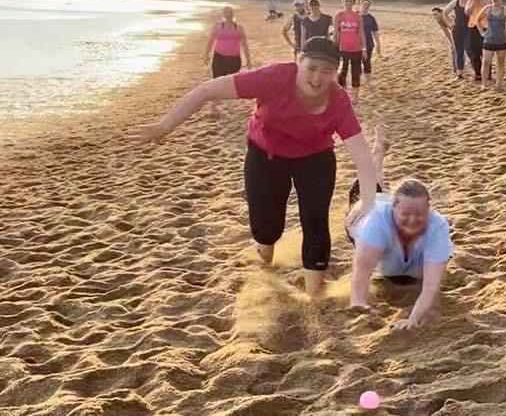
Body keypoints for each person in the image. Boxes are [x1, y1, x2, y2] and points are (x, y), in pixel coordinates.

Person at [137, 36, 379, 300]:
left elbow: (362, 158)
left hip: (315, 158)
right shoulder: (274, 77)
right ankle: (265, 264)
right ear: (298, 61)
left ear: (335, 73)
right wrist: (165, 126)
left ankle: (316, 296)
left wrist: (368, 205)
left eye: (327, 72)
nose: (318, 78)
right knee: (266, 229)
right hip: (265, 155)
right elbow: (207, 91)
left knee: (315, 220)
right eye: (311, 68)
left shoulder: (338, 100)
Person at [347, 125, 454, 330]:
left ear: (429, 209)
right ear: (393, 209)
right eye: (405, 215)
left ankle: (379, 154)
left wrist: (412, 320)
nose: (413, 221)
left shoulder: (437, 225)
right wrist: (359, 307)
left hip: (388, 203)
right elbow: (361, 275)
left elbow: (432, 286)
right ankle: (378, 152)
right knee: (370, 186)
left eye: (419, 215)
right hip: (362, 212)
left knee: (382, 191)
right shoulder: (377, 220)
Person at [334, 0, 367, 101]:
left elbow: (361, 33)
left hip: (356, 48)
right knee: (343, 70)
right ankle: (343, 94)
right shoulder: (339, 15)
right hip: (343, 48)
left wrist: (364, 49)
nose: (348, 3)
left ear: (354, 2)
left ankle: (356, 96)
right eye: (346, 0)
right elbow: (336, 33)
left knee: (356, 71)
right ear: (343, 1)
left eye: (350, 1)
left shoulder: (358, 16)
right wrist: (334, 48)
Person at [203, 5, 251, 78]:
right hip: (219, 59)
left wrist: (248, 59)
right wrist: (206, 54)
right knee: (217, 81)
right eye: (226, 12)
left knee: (231, 83)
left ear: (233, 14)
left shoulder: (239, 28)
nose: (228, 14)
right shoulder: (217, 26)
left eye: (230, 12)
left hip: (234, 59)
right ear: (223, 15)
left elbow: (245, 45)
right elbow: (210, 41)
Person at [442, 0, 471, 79]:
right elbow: (445, 12)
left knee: (470, 49)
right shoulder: (455, 2)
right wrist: (450, 23)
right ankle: (460, 72)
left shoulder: (471, 1)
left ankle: (477, 71)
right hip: (457, 29)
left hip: (470, 29)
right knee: (459, 51)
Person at [464, 0, 491, 82]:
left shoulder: (487, 1)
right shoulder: (471, 1)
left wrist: (482, 2)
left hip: (485, 28)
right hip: (473, 28)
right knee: (474, 52)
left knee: (485, 52)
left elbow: (489, 13)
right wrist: (474, 2)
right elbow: (467, 12)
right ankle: (477, 74)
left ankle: (487, 74)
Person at [359, 0, 381, 83]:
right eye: (364, 4)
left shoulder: (371, 18)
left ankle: (368, 80)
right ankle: (358, 79)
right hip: (356, 43)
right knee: (356, 62)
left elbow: (375, 31)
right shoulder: (356, 15)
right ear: (361, 4)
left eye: (367, 5)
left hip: (368, 43)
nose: (366, 6)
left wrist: (378, 44)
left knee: (366, 62)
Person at [432, 7, 456, 72]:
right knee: (453, 49)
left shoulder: (447, 16)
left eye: (436, 14)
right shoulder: (439, 20)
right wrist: (451, 42)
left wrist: (454, 41)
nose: (435, 16)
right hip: (454, 32)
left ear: (441, 13)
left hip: (460, 31)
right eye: (433, 15)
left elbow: (454, 28)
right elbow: (446, 32)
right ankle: (455, 68)